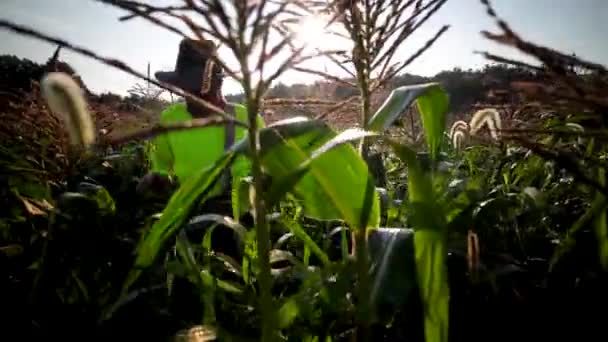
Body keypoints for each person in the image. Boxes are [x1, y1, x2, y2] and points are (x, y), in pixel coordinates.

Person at [137, 37, 264, 257]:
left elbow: (269, 171)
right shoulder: (170, 119)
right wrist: (157, 179)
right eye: (185, 91)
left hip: (240, 224)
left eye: (200, 91)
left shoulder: (246, 119)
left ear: (218, 85)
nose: (192, 98)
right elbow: (163, 166)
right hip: (188, 216)